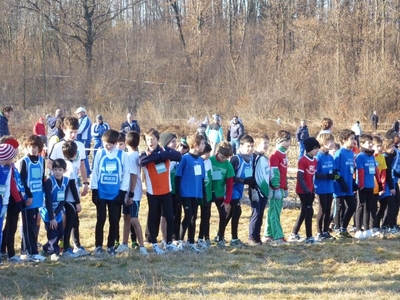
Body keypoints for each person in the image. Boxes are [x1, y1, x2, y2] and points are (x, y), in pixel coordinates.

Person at [47, 116, 90, 256]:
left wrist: (85, 183)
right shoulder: (58, 146)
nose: (74, 135)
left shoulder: (80, 146)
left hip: (73, 187)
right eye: (71, 131)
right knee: (63, 217)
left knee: (74, 217)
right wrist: (57, 176)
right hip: (60, 189)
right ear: (64, 129)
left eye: (76, 132)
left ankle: (75, 245)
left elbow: (82, 165)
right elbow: (49, 163)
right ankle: (60, 245)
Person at [139, 128, 181, 254]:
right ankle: (154, 243)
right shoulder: (145, 153)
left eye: (153, 139)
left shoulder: (165, 150)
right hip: (153, 192)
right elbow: (141, 161)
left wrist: (162, 155)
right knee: (153, 217)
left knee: (169, 216)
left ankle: (168, 242)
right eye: (148, 140)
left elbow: (178, 156)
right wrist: (156, 156)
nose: (150, 142)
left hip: (166, 190)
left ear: (158, 140)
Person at [90, 129, 129, 256]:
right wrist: (94, 191)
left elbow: (126, 175)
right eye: (105, 143)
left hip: (115, 194)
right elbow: (95, 172)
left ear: (115, 143)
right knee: (100, 219)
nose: (107, 146)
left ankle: (111, 245)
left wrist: (122, 193)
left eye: (109, 144)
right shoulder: (100, 153)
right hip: (101, 193)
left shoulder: (122, 155)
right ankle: (98, 245)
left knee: (114, 220)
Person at [116, 131, 148, 255]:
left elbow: (133, 176)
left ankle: (142, 246)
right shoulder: (128, 155)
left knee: (134, 219)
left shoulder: (132, 157)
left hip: (133, 193)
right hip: (128, 192)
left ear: (126, 142)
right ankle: (124, 243)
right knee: (126, 217)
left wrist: (131, 194)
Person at [175, 134, 206, 252]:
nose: (204, 146)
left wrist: (204, 193)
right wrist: (178, 194)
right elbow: (178, 176)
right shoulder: (185, 158)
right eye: (202, 143)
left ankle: (191, 242)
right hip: (186, 193)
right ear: (195, 145)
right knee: (188, 215)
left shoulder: (201, 161)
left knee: (194, 217)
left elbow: (202, 178)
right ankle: (179, 241)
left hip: (196, 193)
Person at [19, 135, 46, 262]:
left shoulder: (42, 161)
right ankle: (31, 252)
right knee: (27, 226)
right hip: (28, 199)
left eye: (35, 147)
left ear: (39, 148)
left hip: (38, 198)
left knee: (34, 225)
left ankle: (26, 250)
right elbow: (22, 181)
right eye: (30, 147)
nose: (33, 149)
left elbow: (41, 179)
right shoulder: (24, 161)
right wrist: (28, 196)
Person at [225, 134, 255, 247]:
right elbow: (230, 177)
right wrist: (243, 181)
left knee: (229, 214)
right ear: (241, 146)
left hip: (239, 190)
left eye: (252, 146)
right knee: (237, 212)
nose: (250, 148)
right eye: (248, 146)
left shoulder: (251, 159)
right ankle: (234, 239)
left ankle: (220, 235)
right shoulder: (236, 159)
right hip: (231, 190)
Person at [262, 130, 291, 245]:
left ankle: (268, 234)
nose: (289, 143)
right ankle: (278, 236)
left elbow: (284, 173)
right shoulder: (275, 155)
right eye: (287, 141)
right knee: (274, 212)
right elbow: (274, 172)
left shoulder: (283, 154)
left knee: (274, 211)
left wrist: (286, 187)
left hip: (281, 187)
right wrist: (276, 187)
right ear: (280, 141)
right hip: (275, 189)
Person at [289, 137, 320, 244]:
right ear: (310, 148)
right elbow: (300, 178)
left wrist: (312, 190)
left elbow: (313, 177)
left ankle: (294, 233)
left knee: (304, 212)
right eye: (315, 148)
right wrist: (306, 190)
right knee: (309, 211)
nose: (317, 150)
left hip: (310, 190)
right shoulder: (303, 160)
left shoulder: (315, 160)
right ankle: (309, 236)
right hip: (302, 190)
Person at [39, 158, 69, 261]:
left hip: (57, 210)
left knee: (60, 231)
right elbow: (47, 200)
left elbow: (63, 199)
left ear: (64, 170)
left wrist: (56, 213)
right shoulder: (49, 182)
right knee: (53, 231)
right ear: (52, 170)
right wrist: (52, 217)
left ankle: (46, 247)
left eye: (60, 169)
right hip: (47, 210)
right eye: (55, 169)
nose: (57, 172)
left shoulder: (66, 181)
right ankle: (53, 252)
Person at [0, 138, 24, 262]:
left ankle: (3, 250)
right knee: (10, 226)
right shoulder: (5, 167)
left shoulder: (10, 166)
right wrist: (17, 198)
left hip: (8, 198)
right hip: (10, 199)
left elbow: (14, 184)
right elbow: (12, 185)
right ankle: (10, 253)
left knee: (5, 226)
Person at [354, 134, 382, 239]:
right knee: (360, 206)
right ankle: (358, 229)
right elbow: (360, 172)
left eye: (371, 143)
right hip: (362, 186)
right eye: (368, 143)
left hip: (371, 185)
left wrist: (379, 184)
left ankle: (367, 228)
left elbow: (375, 171)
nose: (370, 145)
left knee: (368, 207)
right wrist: (360, 185)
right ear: (362, 144)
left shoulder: (372, 156)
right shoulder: (360, 157)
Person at [60, 141, 83, 258]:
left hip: (67, 200)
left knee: (75, 223)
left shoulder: (65, 164)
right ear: (75, 154)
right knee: (70, 224)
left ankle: (77, 245)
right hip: (70, 200)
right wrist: (77, 202)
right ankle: (66, 249)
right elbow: (72, 185)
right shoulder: (71, 166)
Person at [333, 129, 357, 238]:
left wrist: (352, 182)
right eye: (351, 139)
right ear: (344, 140)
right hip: (339, 186)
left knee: (352, 205)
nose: (354, 141)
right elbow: (334, 171)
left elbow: (351, 169)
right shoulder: (339, 153)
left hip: (349, 186)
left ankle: (344, 227)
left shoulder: (351, 153)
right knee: (339, 207)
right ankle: (337, 229)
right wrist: (341, 181)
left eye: (354, 138)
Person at [211, 141, 234, 247]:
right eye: (222, 156)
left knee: (223, 214)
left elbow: (229, 185)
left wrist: (227, 201)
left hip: (219, 193)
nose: (223, 159)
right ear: (217, 152)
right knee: (206, 215)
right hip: (208, 192)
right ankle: (205, 237)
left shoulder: (228, 166)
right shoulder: (210, 161)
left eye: (226, 158)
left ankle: (220, 237)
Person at [248, 134, 271, 246]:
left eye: (267, 143)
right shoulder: (253, 157)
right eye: (264, 143)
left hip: (264, 190)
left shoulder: (265, 158)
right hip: (256, 190)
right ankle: (252, 237)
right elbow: (251, 174)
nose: (266, 146)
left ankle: (257, 237)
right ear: (257, 144)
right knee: (256, 214)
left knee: (261, 213)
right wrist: (253, 189)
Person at [314, 133, 336, 241]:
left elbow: (333, 171)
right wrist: (327, 176)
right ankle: (319, 232)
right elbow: (316, 173)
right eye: (330, 141)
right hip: (321, 187)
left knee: (328, 210)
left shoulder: (330, 157)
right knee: (322, 210)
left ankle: (326, 231)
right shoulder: (318, 156)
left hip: (330, 187)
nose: (332, 143)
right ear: (324, 143)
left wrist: (336, 176)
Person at [197, 142, 213, 249]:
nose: (208, 155)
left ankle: (204, 237)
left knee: (206, 216)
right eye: (207, 152)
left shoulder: (209, 162)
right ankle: (191, 238)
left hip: (207, 193)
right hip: (198, 193)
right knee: (193, 216)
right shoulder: (198, 162)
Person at [75, 107, 92, 176]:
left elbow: (80, 130)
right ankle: (83, 171)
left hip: (84, 139)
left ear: (83, 112)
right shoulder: (80, 120)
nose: (78, 114)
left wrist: (75, 131)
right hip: (80, 139)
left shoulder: (86, 119)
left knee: (83, 156)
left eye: (79, 113)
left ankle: (87, 172)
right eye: (77, 113)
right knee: (80, 155)